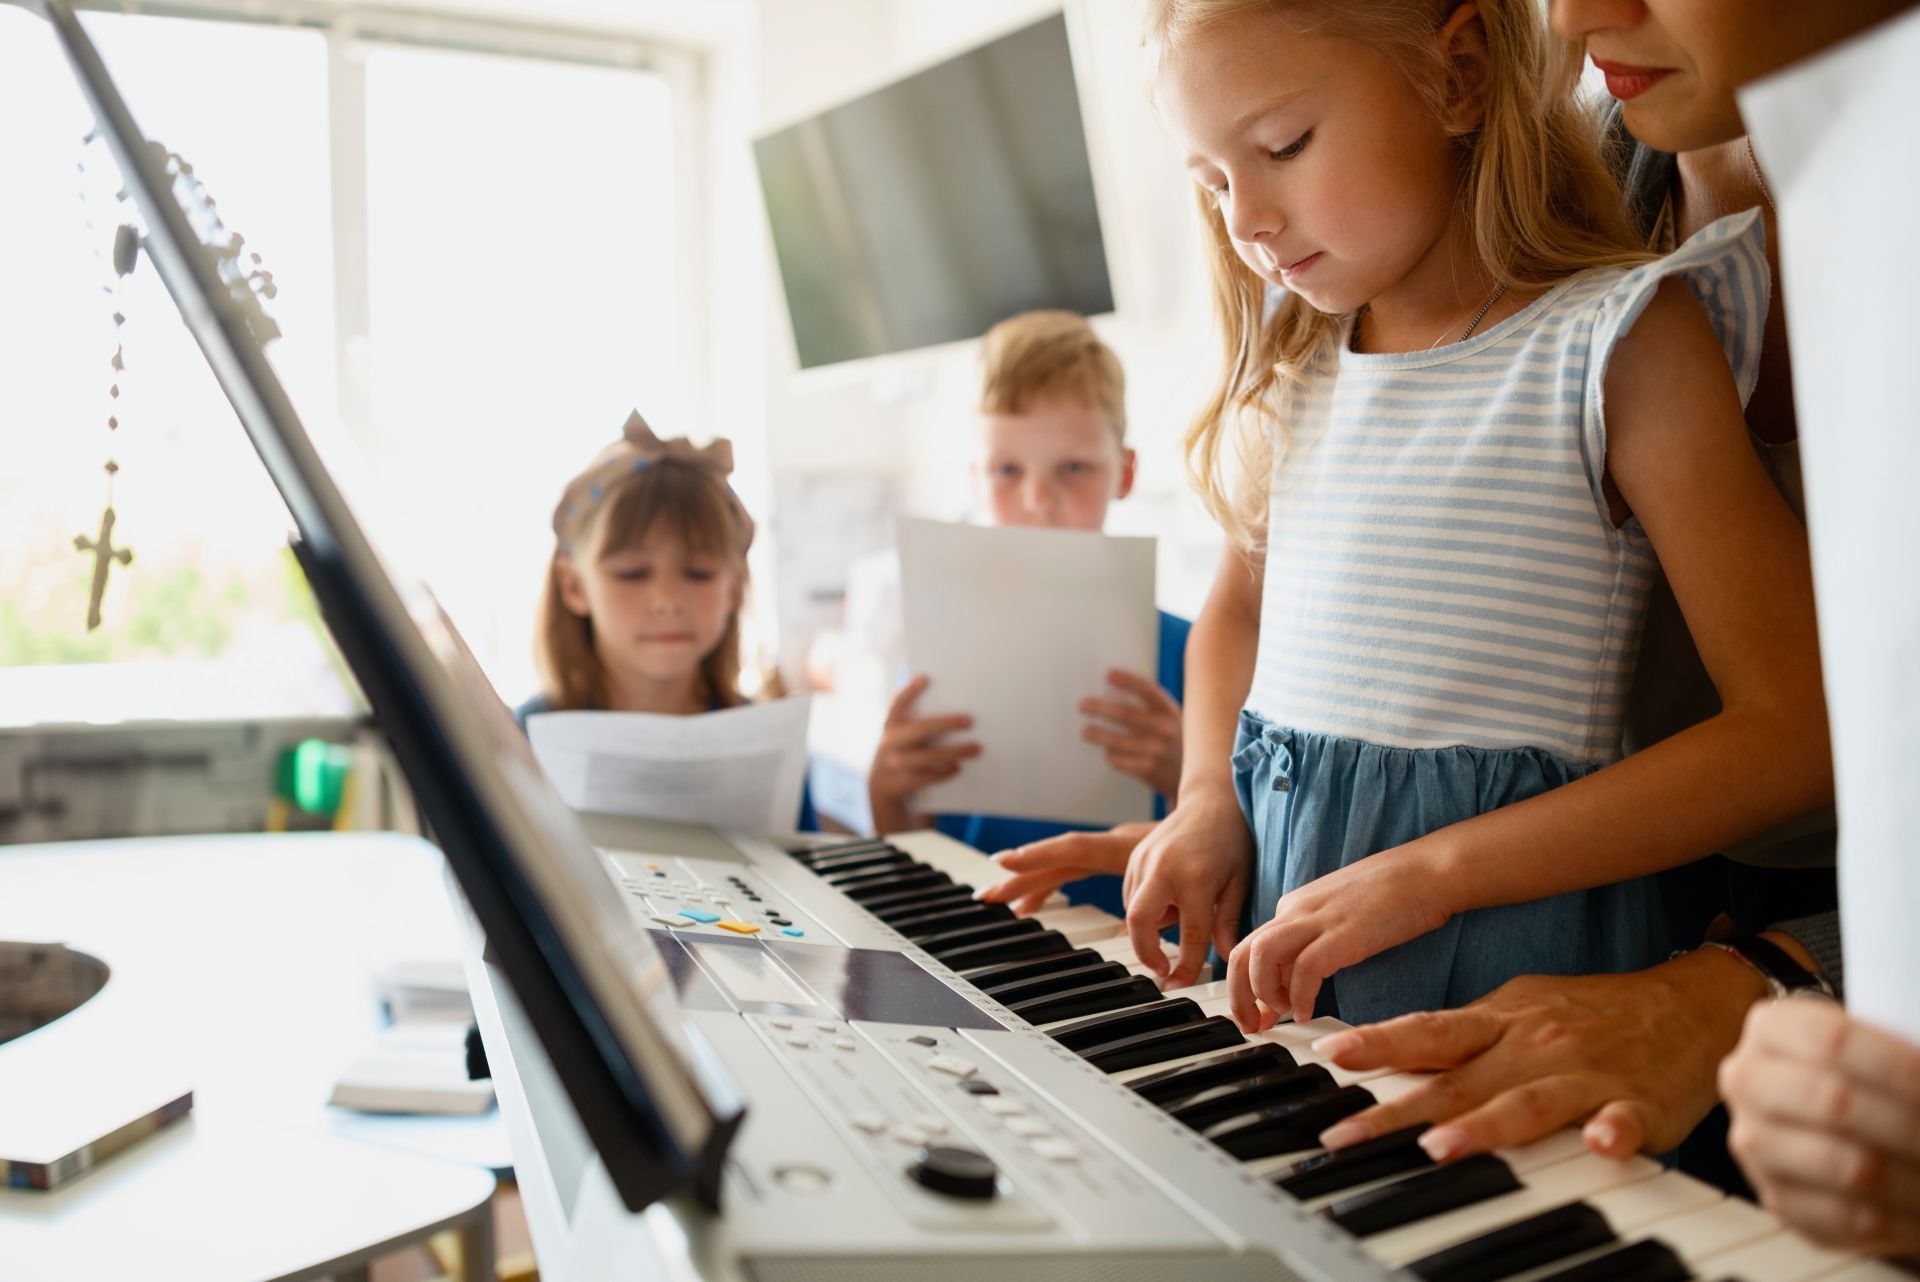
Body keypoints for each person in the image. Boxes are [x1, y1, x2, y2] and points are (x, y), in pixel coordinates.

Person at [992, 0, 1831, 1047]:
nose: (1245, 217)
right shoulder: (1296, 369)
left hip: (1505, 971)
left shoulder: (1622, 340)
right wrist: (1208, 796)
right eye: (1210, 181)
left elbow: (1798, 727)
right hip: (1287, 975)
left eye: (1284, 146)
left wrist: (1434, 873)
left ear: (1461, 74)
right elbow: (1235, 616)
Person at [1252, 0, 1920, 1215]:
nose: (1570, 18)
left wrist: (1769, 979)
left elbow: (1802, 729)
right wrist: (1235, 809)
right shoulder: (1545, 176)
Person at [866, 311, 1190, 912]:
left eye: (1072, 469)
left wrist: (1187, 782)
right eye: (1007, 471)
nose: (1038, 502)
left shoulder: (1197, 656)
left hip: (1131, 962)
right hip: (973, 939)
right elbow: (910, 854)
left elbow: (1224, 871)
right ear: (975, 476)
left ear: (1125, 473)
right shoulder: (937, 647)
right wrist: (887, 793)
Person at [516, 410, 816, 828]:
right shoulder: (519, 742)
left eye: (699, 573)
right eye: (632, 574)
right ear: (574, 587)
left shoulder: (769, 744)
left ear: (733, 587)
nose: (668, 601)